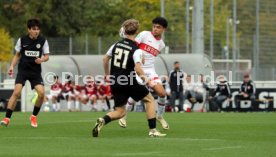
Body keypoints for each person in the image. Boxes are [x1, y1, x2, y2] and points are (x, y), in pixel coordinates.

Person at [92, 19, 166, 137]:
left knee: (120, 111)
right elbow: (138, 69)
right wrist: (148, 81)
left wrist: (107, 75)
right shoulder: (136, 50)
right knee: (150, 100)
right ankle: (153, 131)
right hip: (129, 80)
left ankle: (103, 120)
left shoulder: (116, 44)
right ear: (136, 32)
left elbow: (105, 59)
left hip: (115, 81)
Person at [119, 17, 169, 130]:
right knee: (137, 94)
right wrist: (137, 58)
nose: (155, 29)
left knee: (162, 93)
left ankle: (160, 116)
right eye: (154, 26)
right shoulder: (144, 34)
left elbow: (151, 58)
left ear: (163, 29)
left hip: (150, 71)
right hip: (138, 69)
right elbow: (132, 46)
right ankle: (123, 115)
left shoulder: (161, 45)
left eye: (158, 27)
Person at [0, 18, 49, 127]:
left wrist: (42, 59)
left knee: (41, 93)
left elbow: (47, 56)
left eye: (38, 29)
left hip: (35, 72)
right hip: (23, 71)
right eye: (33, 29)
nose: (36, 31)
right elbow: (17, 55)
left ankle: (33, 116)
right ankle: (7, 118)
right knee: (16, 92)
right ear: (29, 30)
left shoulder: (43, 41)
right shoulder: (22, 40)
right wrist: (12, 66)